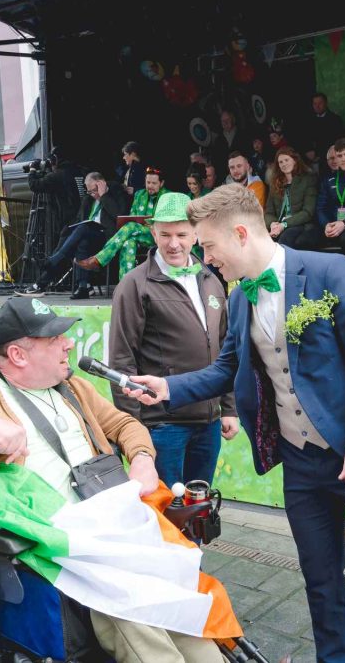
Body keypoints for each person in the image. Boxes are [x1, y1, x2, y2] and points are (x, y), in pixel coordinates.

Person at [121, 184, 345, 663]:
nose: (206, 258)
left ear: (239, 234)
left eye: (208, 246)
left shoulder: (331, 271)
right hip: (302, 465)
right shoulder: (237, 299)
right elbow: (224, 370)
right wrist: (167, 388)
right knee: (320, 579)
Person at [0, 299, 226, 663]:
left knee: (182, 609)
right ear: (18, 354)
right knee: (136, 610)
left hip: (109, 528)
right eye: (55, 337)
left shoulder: (71, 386)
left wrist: (141, 457)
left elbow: (125, 425)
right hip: (57, 542)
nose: (69, 343)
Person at [109, 193, 239, 487]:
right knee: (164, 512)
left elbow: (225, 348)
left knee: (198, 507)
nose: (173, 243)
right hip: (163, 424)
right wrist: (133, 427)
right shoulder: (135, 284)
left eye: (182, 233)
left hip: (208, 422)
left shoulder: (211, 278)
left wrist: (228, 408)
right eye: (164, 234)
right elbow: (121, 359)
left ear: (196, 233)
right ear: (153, 232)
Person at [25, 172, 127, 299]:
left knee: (82, 231)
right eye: (89, 191)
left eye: (94, 190)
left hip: (107, 237)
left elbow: (119, 216)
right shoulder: (89, 199)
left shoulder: (116, 193)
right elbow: (79, 219)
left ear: (102, 183)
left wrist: (103, 196)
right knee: (81, 241)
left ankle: (53, 261)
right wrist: (68, 230)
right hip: (88, 237)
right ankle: (83, 287)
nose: (92, 194)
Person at [77, 168, 169, 279]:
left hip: (157, 235)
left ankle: (100, 259)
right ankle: (125, 284)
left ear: (162, 183)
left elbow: (165, 223)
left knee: (130, 227)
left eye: (154, 183)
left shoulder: (168, 197)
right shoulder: (139, 194)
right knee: (128, 243)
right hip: (138, 235)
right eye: (148, 182)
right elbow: (133, 216)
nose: (150, 186)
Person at [263, 146, 319, 249]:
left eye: (286, 160)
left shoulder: (308, 179)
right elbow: (269, 212)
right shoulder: (274, 183)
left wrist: (283, 225)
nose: (284, 164)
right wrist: (272, 224)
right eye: (281, 162)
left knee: (285, 239)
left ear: (295, 160)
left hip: (299, 224)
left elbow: (308, 212)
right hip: (278, 226)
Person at [28, 147, 86, 224]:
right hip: (84, 213)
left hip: (68, 219)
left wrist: (32, 170)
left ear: (55, 160)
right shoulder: (80, 170)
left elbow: (34, 185)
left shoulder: (57, 176)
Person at [300, 92, 344, 163]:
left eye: (320, 103)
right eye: (315, 104)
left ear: (325, 103)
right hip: (310, 158)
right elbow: (304, 137)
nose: (317, 106)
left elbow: (336, 140)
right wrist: (307, 150)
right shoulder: (307, 120)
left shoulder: (335, 120)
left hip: (329, 157)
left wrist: (321, 155)